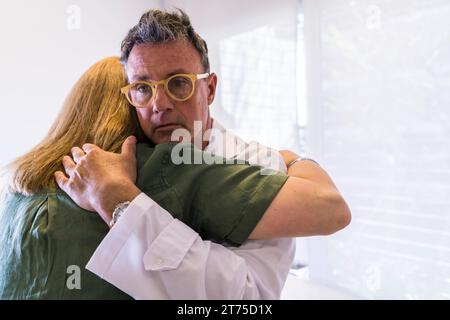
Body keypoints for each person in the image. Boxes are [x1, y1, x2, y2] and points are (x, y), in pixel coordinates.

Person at [56, 9, 351, 299]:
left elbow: (245, 299)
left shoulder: (261, 165)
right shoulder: (116, 163)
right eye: (143, 88)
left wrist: (121, 204)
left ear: (209, 89)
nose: (159, 104)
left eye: (179, 83)